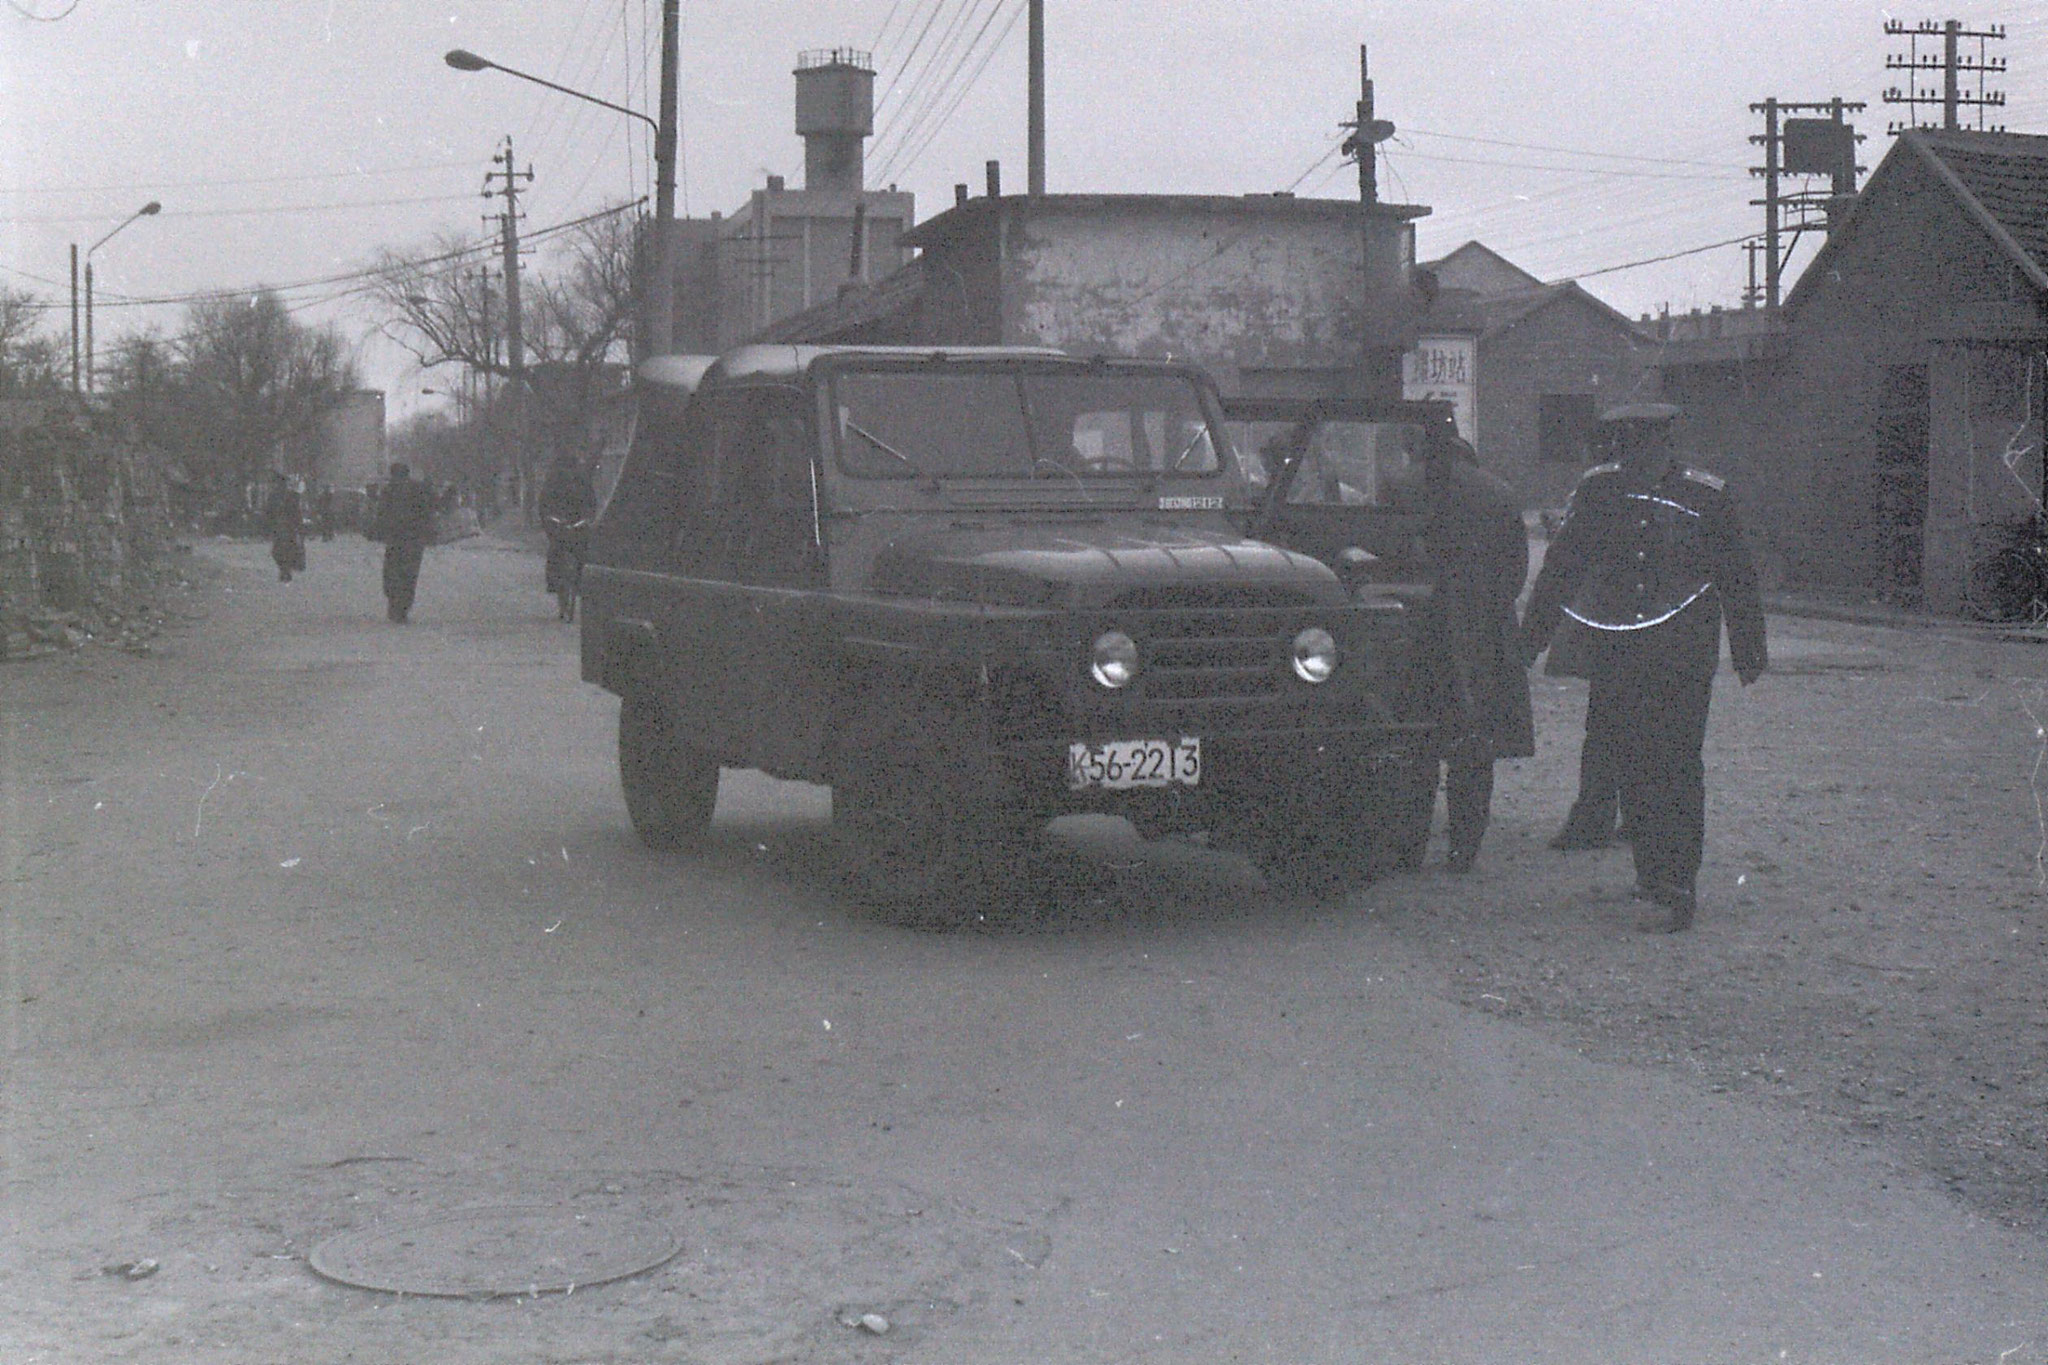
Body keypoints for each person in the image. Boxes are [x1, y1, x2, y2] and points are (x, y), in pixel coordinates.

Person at [1519, 402, 1767, 932]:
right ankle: (1653, 876)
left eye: (1647, 445)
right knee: (1630, 763)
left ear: (1667, 445)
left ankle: (1678, 885)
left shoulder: (1706, 496)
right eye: (1627, 446)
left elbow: (1737, 575)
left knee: (1677, 765)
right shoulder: (1600, 491)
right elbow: (1564, 565)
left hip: (1682, 654)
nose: (1636, 457)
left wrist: (1749, 649)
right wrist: (1533, 637)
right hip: (1619, 650)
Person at [1414, 427, 1535, 872]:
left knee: (1418, 740)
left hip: (1422, 629)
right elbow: (1516, 571)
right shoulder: (1499, 493)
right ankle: (1465, 845)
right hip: (1486, 633)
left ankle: (1409, 841)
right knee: (1474, 744)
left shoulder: (1410, 488)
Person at [372, 461, 436, 623]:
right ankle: (403, 607)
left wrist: (379, 531)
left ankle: (394, 604)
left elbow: (381, 513)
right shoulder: (418, 489)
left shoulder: (389, 490)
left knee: (392, 572)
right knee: (409, 574)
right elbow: (427, 511)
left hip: (395, 538)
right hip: (414, 539)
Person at [539, 454, 597, 622]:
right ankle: (563, 584)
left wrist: (586, 519)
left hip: (573, 523)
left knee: (572, 553)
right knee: (562, 552)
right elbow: (544, 505)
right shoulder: (559, 482)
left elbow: (591, 503)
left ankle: (565, 584)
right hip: (562, 523)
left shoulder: (575, 481)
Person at [266, 472, 305, 583]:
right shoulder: (275, 496)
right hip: (281, 527)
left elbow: (296, 512)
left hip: (287, 527)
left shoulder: (291, 495)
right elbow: (269, 512)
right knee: (278, 551)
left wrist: (298, 526)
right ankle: (285, 570)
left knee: (284, 550)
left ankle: (285, 571)